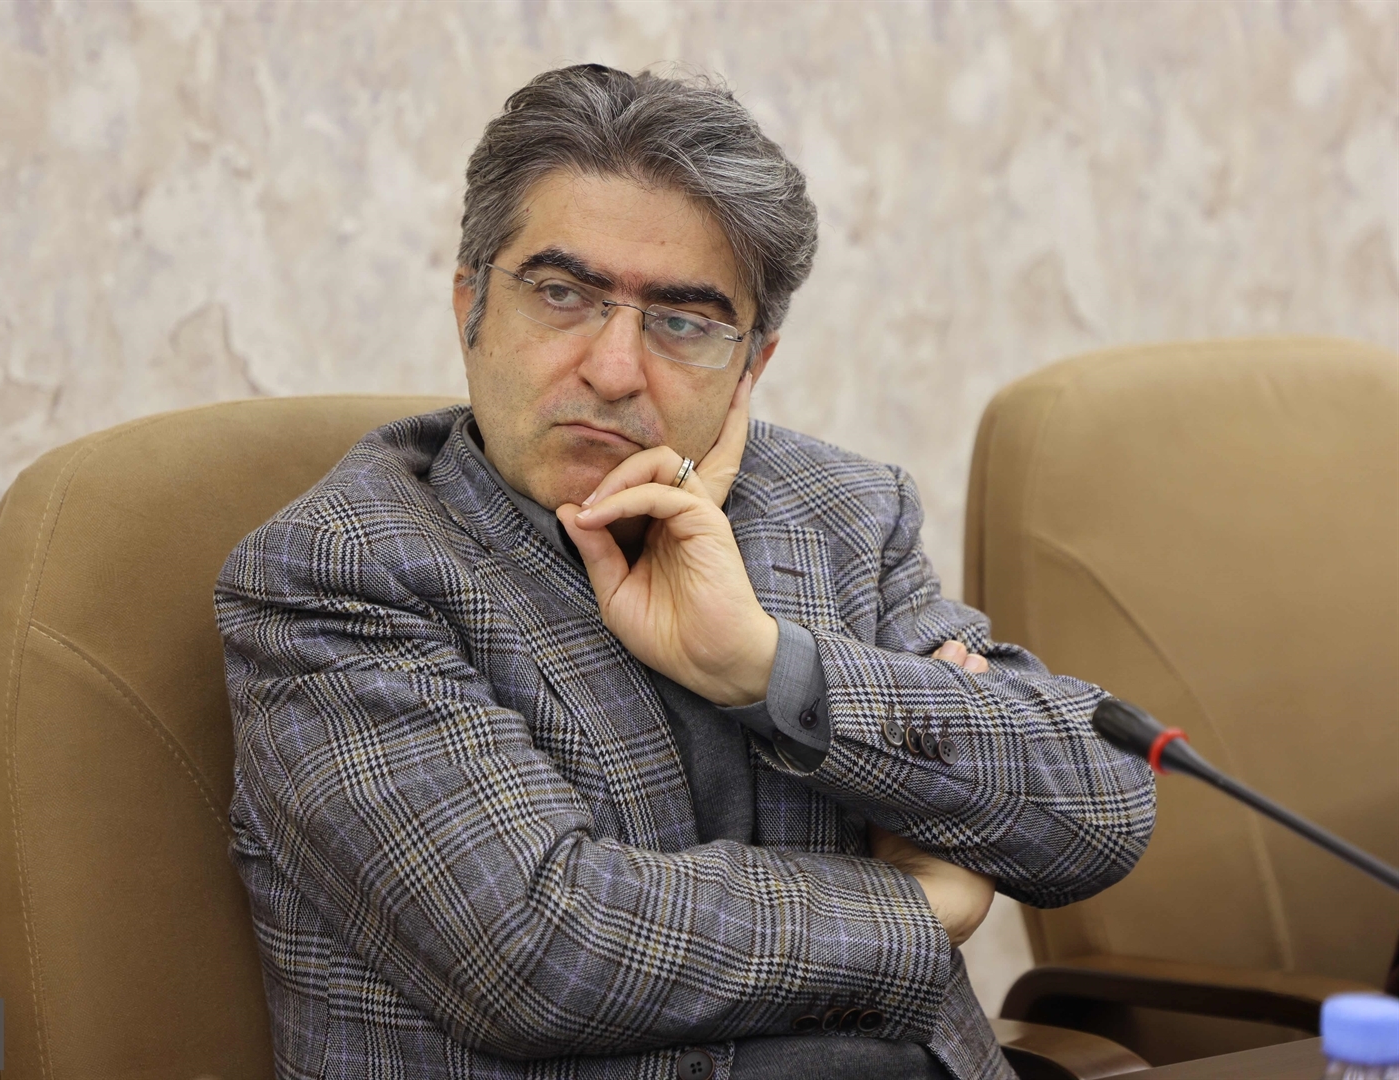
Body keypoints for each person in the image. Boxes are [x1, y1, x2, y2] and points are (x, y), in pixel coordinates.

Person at [216, 64, 1156, 1080]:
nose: (614, 369)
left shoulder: (839, 511)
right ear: (470, 305)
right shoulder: (342, 571)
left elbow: (1099, 803)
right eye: (562, 295)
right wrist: (925, 904)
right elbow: (543, 950)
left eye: (683, 322)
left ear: (752, 365)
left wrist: (768, 668)